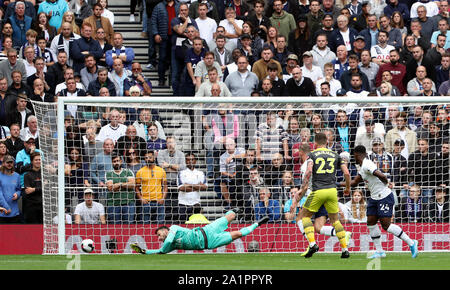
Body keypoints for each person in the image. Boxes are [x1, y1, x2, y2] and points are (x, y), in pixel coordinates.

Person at [345, 145, 418, 258]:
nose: (353, 158)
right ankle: (380, 251)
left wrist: (386, 183)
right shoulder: (363, 166)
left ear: (356, 155)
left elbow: (381, 175)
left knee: (386, 225)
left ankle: (412, 243)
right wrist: (334, 184)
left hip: (384, 196)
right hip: (374, 198)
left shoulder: (367, 164)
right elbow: (354, 182)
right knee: (370, 222)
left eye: (353, 156)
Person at [292, 132, 351, 258]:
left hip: (318, 191)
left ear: (315, 143)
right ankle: (345, 249)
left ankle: (312, 244)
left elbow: (308, 172)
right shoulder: (336, 155)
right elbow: (346, 173)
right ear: (327, 142)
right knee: (335, 221)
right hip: (332, 191)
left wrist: (302, 188)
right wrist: (347, 188)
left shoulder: (312, 155)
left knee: (304, 218)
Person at [130, 209, 270, 254]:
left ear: (165, 230)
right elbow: (160, 252)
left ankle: (238, 210)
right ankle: (258, 223)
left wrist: (161, 247)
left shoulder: (173, 228)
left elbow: (164, 245)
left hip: (207, 230)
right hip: (211, 242)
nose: (159, 239)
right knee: (238, 234)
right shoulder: (171, 245)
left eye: (159, 235)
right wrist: (144, 251)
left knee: (231, 215)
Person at [135, 150, 168, 224]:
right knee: (145, 225)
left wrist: (163, 198)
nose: (148, 159)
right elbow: (136, 187)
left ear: (154, 158)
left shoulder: (161, 171)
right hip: (146, 203)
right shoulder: (140, 172)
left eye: (150, 157)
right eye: (146, 158)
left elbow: (165, 186)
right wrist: (141, 198)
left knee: (160, 224)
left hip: (159, 202)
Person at [105, 153, 136, 224]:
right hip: (113, 204)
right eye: (114, 161)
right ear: (112, 163)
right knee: (115, 228)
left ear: (121, 161)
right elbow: (111, 188)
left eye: (118, 161)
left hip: (128, 203)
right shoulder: (108, 174)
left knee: (129, 226)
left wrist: (119, 184)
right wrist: (126, 184)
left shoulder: (128, 171)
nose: (116, 163)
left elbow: (133, 184)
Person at [177, 153, 208, 223]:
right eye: (188, 160)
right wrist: (197, 186)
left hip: (196, 203)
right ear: (185, 161)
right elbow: (181, 188)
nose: (190, 161)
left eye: (192, 159)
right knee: (183, 225)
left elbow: (204, 187)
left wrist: (188, 185)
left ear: (195, 161)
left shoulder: (200, 173)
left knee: (196, 226)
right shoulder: (181, 173)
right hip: (183, 203)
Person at [0, 154, 21, 223]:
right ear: (3, 163)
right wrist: (7, 207)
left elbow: (19, 189)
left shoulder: (17, 176)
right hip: (2, 212)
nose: (9, 164)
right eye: (7, 162)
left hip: (14, 212)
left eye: (11, 162)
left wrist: (17, 194)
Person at [23, 152, 43, 223]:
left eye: (39, 160)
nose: (38, 161)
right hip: (31, 206)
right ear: (32, 161)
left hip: (43, 206)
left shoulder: (45, 174)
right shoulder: (27, 175)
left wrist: (34, 189)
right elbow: (28, 191)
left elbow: (47, 189)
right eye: (36, 160)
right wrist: (41, 188)